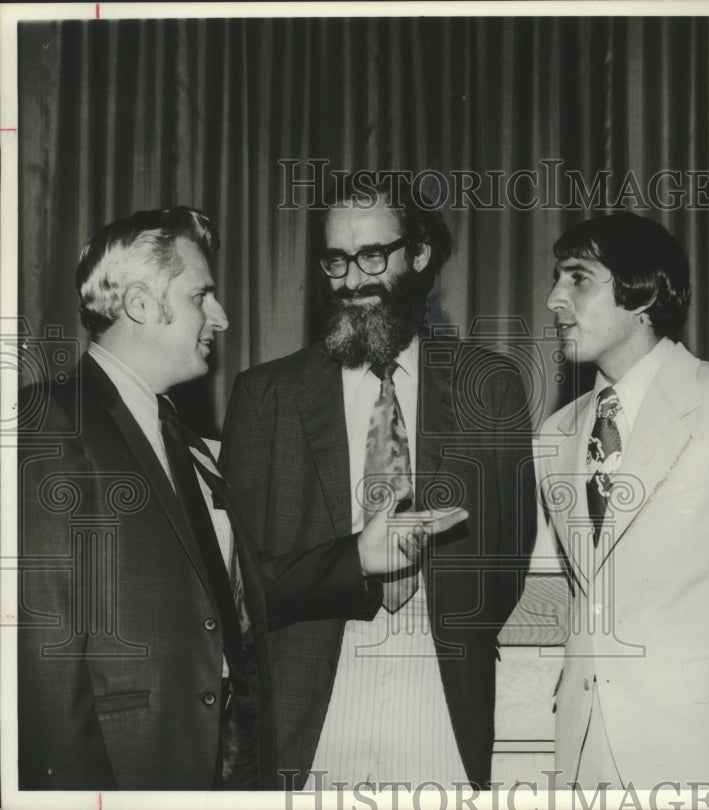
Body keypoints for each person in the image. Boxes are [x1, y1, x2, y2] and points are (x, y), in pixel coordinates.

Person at [17, 206, 463, 790]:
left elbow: (236, 598)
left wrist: (360, 557)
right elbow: (41, 654)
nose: (221, 318)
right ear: (142, 304)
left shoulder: (178, 435)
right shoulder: (52, 420)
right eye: (202, 295)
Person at [220, 175, 536, 790]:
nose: (352, 279)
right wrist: (353, 565)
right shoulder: (266, 395)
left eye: (372, 255)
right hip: (310, 704)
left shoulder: (489, 385)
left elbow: (505, 560)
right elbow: (242, 582)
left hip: (442, 699)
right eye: (336, 259)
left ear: (418, 255)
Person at [536, 212, 709, 788]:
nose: (555, 299)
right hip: (587, 753)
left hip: (708, 750)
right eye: (556, 279)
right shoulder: (555, 434)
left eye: (578, 278)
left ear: (642, 292)